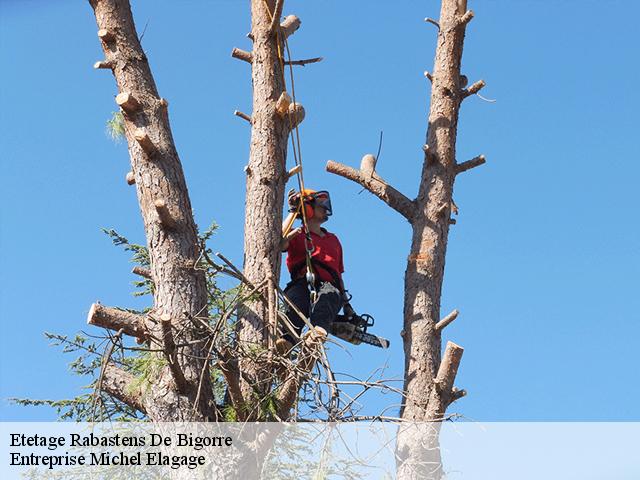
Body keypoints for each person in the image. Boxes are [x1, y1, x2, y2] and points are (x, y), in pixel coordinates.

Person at [277, 189, 350, 352]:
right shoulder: (296, 234)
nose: (325, 209)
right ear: (308, 208)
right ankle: (286, 344)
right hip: (302, 281)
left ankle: (314, 339)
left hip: (329, 285)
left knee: (329, 297)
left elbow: (338, 275)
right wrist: (294, 211)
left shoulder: (333, 239)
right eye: (321, 205)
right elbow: (279, 241)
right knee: (296, 302)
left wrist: (347, 305)